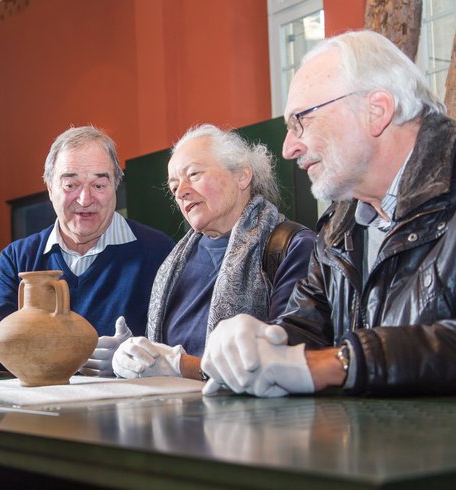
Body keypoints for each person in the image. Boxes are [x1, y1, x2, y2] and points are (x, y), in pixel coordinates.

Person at [201, 29, 456, 398]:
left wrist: (340, 364)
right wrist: (260, 343)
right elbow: (310, 326)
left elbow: (329, 361)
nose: (288, 147)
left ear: (377, 111)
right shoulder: (340, 224)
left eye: (301, 120)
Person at [0, 126, 175, 375]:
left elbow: (181, 344)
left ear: (115, 186)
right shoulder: (17, 259)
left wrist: (140, 357)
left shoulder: (158, 252)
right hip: (41, 409)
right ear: (50, 188)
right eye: (70, 185)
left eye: (99, 185)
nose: (85, 199)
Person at [110, 124, 316, 380]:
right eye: (173, 187)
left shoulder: (294, 247)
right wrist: (133, 356)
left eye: (194, 174)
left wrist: (179, 366)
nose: (181, 191)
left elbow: (287, 360)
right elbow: (162, 349)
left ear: (242, 176)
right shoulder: (173, 263)